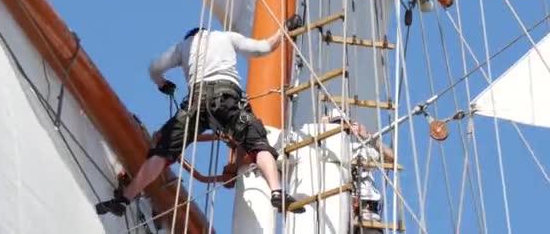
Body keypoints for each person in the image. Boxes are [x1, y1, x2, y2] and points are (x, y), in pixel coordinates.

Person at [95, 15, 305, 216]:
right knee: (257, 142)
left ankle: (125, 198)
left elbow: (153, 68)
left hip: (195, 104)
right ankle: (276, 191)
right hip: (227, 98)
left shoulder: (184, 46)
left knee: (163, 151)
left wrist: (163, 84)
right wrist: (285, 29)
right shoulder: (227, 37)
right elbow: (263, 48)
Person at [326, 110, 394, 233]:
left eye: (343, 124)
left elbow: (391, 158)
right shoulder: (323, 151)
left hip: (367, 215)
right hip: (337, 216)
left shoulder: (359, 149)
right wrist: (322, 129)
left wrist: (369, 137)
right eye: (336, 124)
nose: (340, 128)